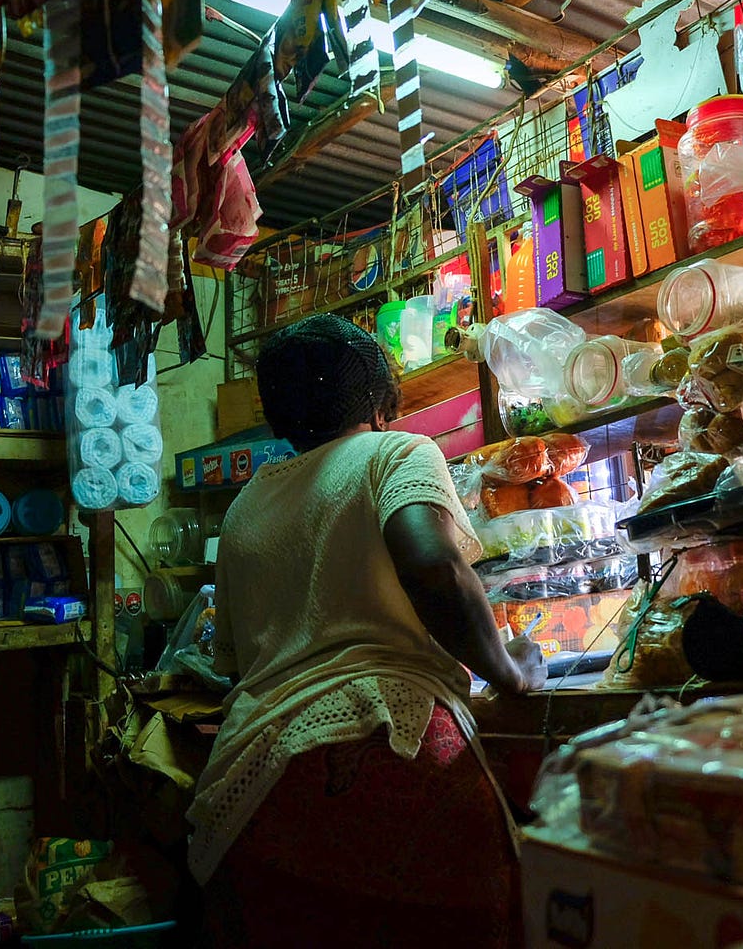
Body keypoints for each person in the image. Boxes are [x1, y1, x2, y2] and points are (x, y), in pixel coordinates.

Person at [187, 313, 547, 948]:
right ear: (383, 403)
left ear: (278, 419)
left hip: (255, 794)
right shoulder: (395, 453)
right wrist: (509, 670)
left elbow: (237, 665)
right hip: (390, 755)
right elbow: (434, 567)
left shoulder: (244, 507)